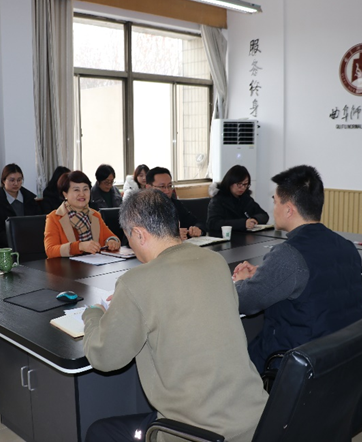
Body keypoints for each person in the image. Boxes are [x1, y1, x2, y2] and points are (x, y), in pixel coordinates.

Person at [82, 189, 268, 442]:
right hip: (258, 421)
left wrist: (93, 315)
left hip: (196, 433)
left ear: (138, 234)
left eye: (129, 236)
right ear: (176, 223)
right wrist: (133, 303)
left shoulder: (136, 282)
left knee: (99, 432)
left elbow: (104, 357)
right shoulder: (214, 261)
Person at [233, 165, 362, 373]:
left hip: (295, 363)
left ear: (288, 209)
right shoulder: (347, 247)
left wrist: (241, 281)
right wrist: (264, 273)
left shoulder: (288, 254)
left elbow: (244, 302)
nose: (273, 208)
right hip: (341, 360)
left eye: (275, 201)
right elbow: (313, 280)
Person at [44, 170, 121, 258]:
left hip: (95, 264)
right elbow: (50, 250)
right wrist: (79, 246)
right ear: (65, 194)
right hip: (67, 266)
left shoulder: (95, 215)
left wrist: (112, 241)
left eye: (85, 189)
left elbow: (111, 237)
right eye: (76, 190)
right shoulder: (54, 218)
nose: (82, 194)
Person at [0, 163, 42, 249]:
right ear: (3, 181)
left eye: (19, 180)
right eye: (12, 180)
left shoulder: (30, 199)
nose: (16, 183)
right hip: (7, 248)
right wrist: (17, 240)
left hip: (31, 244)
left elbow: (38, 222)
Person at [146, 167, 206, 239]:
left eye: (169, 186)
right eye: (162, 186)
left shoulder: (175, 204)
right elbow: (138, 237)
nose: (167, 191)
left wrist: (197, 229)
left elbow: (198, 223)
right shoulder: (140, 208)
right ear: (149, 187)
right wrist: (172, 236)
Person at [207, 165, 269, 233]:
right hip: (225, 237)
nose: (242, 187)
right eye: (239, 184)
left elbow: (264, 215)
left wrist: (254, 220)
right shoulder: (218, 200)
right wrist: (243, 223)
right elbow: (213, 223)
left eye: (245, 184)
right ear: (230, 182)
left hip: (244, 236)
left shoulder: (246, 198)